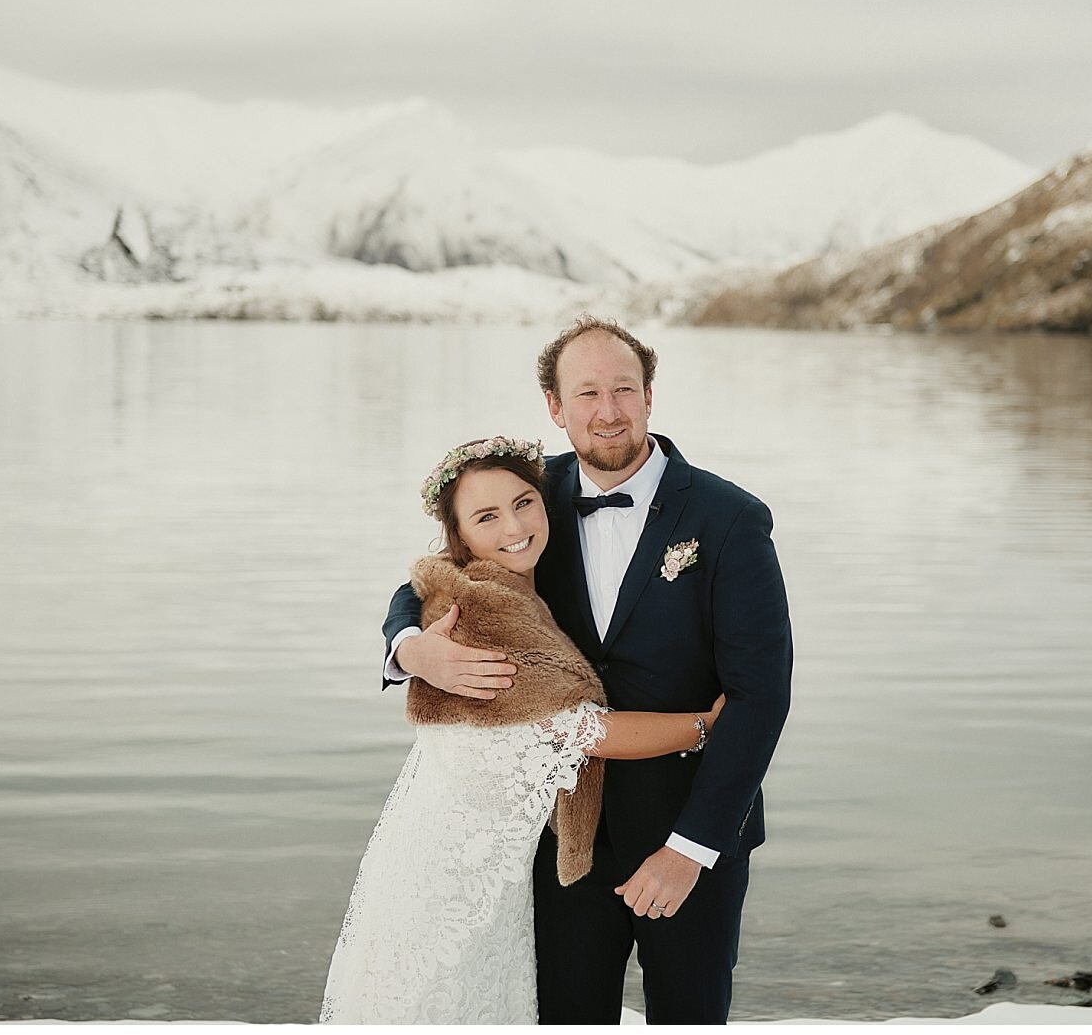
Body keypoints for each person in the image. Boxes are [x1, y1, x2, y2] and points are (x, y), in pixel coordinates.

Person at [382, 315, 793, 1023]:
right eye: (588, 393)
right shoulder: (528, 499)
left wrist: (691, 849)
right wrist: (410, 647)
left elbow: (761, 697)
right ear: (554, 406)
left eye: (624, 389)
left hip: (688, 837)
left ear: (650, 395)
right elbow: (429, 579)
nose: (608, 411)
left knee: (690, 1018)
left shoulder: (729, 518)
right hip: (562, 840)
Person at [320, 437, 725, 1025]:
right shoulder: (480, 612)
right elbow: (579, 731)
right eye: (487, 517)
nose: (514, 524)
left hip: (497, 863)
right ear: (458, 537)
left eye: (523, 503)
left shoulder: (541, 525)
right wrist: (703, 728)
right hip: (457, 870)